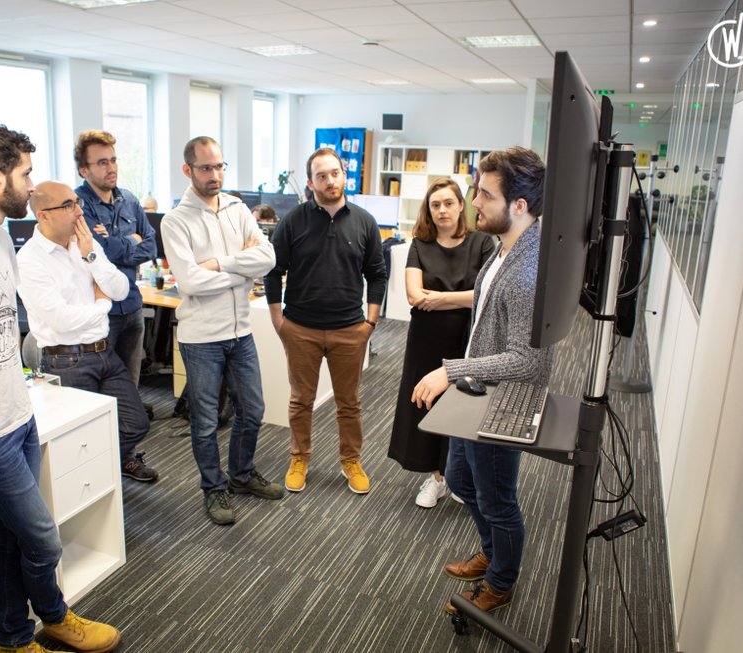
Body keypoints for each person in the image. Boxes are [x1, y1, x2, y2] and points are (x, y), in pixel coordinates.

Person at [0, 124, 120, 653]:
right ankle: (54, 615)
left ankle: (14, 636)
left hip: (20, 414)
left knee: (12, 541)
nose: (32, 186)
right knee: (42, 537)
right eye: (25, 173)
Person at [411, 146, 553, 615]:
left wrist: (451, 370)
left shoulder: (528, 273)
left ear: (519, 206)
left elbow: (528, 364)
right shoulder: (502, 249)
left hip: (502, 400)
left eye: (484, 195)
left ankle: (501, 580)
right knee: (457, 477)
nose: (474, 203)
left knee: (497, 499)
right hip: (478, 391)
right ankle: (494, 553)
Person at [162, 136, 283, 525]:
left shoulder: (236, 208)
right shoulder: (176, 221)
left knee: (253, 410)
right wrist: (239, 273)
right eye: (205, 168)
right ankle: (214, 489)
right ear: (188, 170)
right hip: (201, 339)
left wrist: (219, 263)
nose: (215, 175)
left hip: (240, 332)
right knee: (206, 419)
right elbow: (190, 283)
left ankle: (242, 475)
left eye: (219, 167)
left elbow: (268, 257)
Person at [265, 147, 387, 495]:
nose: (330, 180)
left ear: (343, 175)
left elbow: (377, 275)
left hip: (350, 328)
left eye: (335, 173)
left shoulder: (364, 221)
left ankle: (351, 459)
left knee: (349, 402)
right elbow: (274, 272)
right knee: (301, 399)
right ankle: (299, 457)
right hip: (300, 327)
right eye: (322, 175)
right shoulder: (293, 221)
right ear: (311, 182)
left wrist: (371, 324)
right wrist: (278, 320)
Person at [18, 181, 158, 484]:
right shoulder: (30, 260)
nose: (79, 211)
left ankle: (101, 469)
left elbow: (120, 289)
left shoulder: (84, 243)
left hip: (103, 351)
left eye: (77, 203)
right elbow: (61, 320)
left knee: (136, 423)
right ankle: (90, 481)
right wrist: (100, 305)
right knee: (80, 437)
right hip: (65, 360)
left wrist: (92, 258)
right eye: (68, 205)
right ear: (43, 215)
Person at [387, 180, 495, 508]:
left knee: (463, 407)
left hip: (468, 341)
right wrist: (462, 299)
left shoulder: (482, 243)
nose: (442, 210)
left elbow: (486, 294)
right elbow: (414, 296)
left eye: (448, 203)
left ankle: (458, 476)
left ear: (462, 205)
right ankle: (435, 477)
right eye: (435, 205)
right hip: (426, 341)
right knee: (427, 406)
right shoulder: (420, 244)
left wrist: (442, 297)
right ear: (428, 210)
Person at [73, 130, 156, 387]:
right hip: (101, 312)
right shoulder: (77, 205)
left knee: (130, 386)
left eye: (113, 160)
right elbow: (99, 253)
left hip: (132, 305)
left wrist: (115, 245)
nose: (111, 168)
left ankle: (128, 429)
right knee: (103, 389)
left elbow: (152, 245)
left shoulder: (129, 200)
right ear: (84, 170)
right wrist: (133, 239)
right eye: (102, 162)